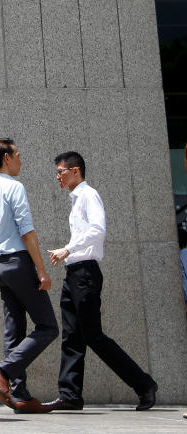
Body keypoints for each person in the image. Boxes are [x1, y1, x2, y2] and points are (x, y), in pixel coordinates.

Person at [44, 151, 157, 411]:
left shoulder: (88, 195)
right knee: (71, 336)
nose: (57, 177)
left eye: (60, 171)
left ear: (75, 171)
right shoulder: (76, 200)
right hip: (73, 273)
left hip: (85, 273)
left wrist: (68, 249)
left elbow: (98, 229)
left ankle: (144, 385)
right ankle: (70, 396)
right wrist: (68, 251)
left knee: (93, 336)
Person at [0, 139, 57, 414]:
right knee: (48, 326)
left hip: (1, 265)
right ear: (6, 159)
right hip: (19, 262)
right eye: (18, 155)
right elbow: (27, 232)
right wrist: (41, 269)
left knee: (14, 329)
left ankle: (20, 393)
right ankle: (3, 370)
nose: (21, 161)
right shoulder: (14, 187)